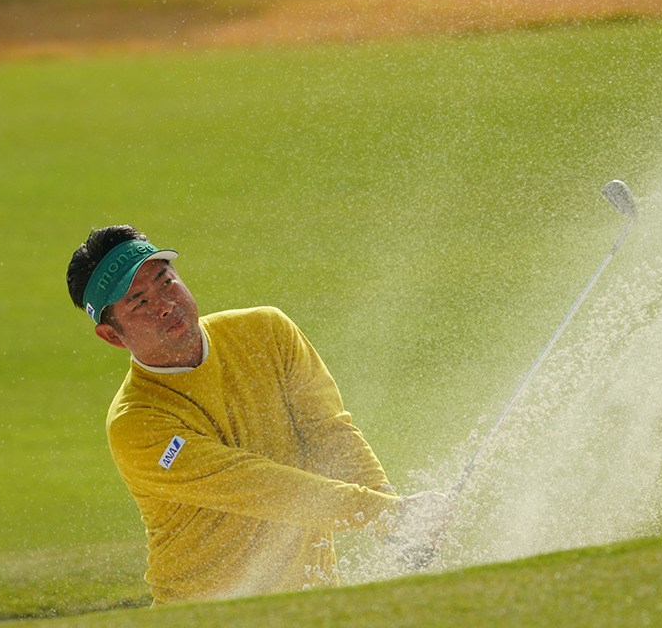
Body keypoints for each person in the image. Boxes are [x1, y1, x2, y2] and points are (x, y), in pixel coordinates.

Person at [66, 225, 443, 604]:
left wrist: (393, 517)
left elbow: (329, 433)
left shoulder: (266, 331)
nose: (166, 304)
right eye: (140, 302)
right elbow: (260, 487)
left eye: (166, 281)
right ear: (112, 336)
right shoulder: (135, 423)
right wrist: (380, 513)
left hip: (315, 607)